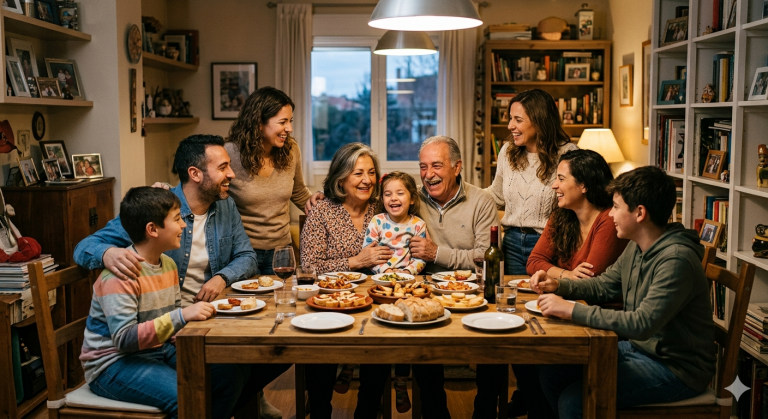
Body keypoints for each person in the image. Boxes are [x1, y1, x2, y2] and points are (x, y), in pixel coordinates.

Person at [79, 187, 281, 418]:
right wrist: (184, 316)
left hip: (157, 349)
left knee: (230, 373)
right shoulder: (120, 275)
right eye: (177, 219)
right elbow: (125, 339)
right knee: (187, 396)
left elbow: (171, 322)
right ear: (152, 229)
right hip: (113, 364)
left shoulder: (168, 264)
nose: (184, 225)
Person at [533, 166, 716, 418]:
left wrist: (573, 310)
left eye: (617, 207)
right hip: (640, 350)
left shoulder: (676, 260)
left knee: (574, 402)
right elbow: (603, 285)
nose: (611, 216)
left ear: (640, 213)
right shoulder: (637, 246)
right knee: (553, 374)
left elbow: (642, 323)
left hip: (676, 369)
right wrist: (560, 285)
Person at [478, 89, 578, 419]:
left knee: (542, 322)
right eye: (510, 118)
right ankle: (530, 396)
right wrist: (452, 188)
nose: (510, 126)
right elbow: (494, 195)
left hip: (548, 247)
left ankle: (539, 403)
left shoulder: (568, 154)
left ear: (539, 120)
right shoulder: (509, 151)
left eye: (518, 119)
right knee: (513, 320)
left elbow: (576, 205)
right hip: (511, 245)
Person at [299, 142, 394, 418]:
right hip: (328, 303)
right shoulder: (322, 211)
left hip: (375, 299)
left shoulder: (383, 209)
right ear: (341, 178)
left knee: (378, 350)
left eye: (371, 172)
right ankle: (319, 411)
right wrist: (356, 262)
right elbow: (308, 268)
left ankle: (367, 411)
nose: (367, 180)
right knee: (321, 355)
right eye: (358, 173)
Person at [225, 86, 322, 275]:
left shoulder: (291, 149)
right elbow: (209, 196)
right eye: (282, 122)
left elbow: (299, 192)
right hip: (242, 253)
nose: (289, 128)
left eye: (290, 121)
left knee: (284, 302)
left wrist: (324, 209)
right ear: (259, 123)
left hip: (282, 251)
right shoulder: (230, 153)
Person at [355, 171, 427, 413]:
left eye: (400, 193)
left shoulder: (418, 225)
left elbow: (420, 259)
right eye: (387, 194)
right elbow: (369, 252)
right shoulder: (377, 222)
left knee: (406, 334)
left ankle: (401, 381)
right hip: (379, 285)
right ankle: (349, 367)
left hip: (407, 287)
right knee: (376, 331)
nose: (393, 198)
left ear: (412, 198)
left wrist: (405, 274)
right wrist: (386, 273)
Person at [526, 149, 629, 279]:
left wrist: (553, 275)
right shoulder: (560, 216)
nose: (554, 185)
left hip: (595, 299)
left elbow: (588, 279)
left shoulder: (609, 219)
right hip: (568, 296)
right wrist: (567, 274)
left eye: (561, 179)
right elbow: (533, 262)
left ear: (584, 186)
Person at [410, 135, 499, 272]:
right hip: (420, 286)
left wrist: (436, 254)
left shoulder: (482, 201)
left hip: (467, 287)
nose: (428, 175)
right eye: (423, 167)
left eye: (436, 166)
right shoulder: (411, 198)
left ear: (457, 167)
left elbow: (487, 257)